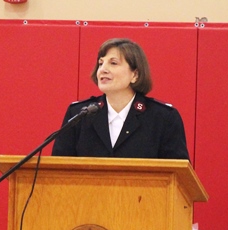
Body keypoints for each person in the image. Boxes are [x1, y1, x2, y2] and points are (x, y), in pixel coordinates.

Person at [52, 38, 189, 160]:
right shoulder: (79, 115)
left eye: (113, 63)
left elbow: (177, 177)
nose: (103, 70)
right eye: (101, 63)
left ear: (135, 74)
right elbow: (59, 171)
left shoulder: (163, 118)